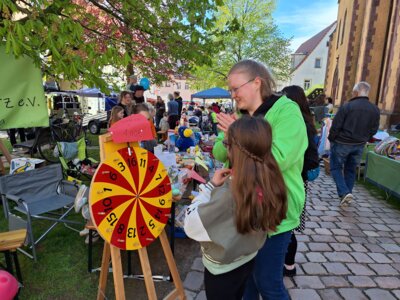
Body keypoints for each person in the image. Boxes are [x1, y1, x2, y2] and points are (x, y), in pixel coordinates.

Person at [213, 59, 307, 299]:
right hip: (243, 206)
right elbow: (219, 153)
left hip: (275, 209)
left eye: (236, 88)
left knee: (267, 282)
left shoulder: (286, 111)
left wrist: (237, 135)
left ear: (256, 82)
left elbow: (280, 158)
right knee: (247, 280)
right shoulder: (239, 115)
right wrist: (228, 139)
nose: (232, 95)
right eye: (230, 90)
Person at [184, 116, 287, 300]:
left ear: (233, 150)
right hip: (248, 258)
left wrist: (209, 188)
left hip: (221, 270)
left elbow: (191, 225)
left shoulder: (228, 194)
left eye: (225, 143)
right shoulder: (271, 181)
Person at [281, 85, 320, 277]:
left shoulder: (300, 124)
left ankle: (288, 265)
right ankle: (288, 264)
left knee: (288, 228)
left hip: (295, 181)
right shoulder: (306, 122)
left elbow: (312, 158)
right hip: (298, 180)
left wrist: (293, 163)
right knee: (289, 227)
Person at [329, 81, 380, 205]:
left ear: (356, 92)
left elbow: (336, 125)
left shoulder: (347, 106)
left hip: (342, 142)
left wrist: (332, 138)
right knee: (350, 170)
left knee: (335, 167)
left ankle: (344, 193)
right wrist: (365, 137)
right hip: (359, 144)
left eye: (353, 91)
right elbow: (374, 129)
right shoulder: (375, 109)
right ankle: (347, 195)